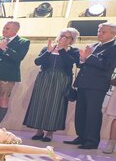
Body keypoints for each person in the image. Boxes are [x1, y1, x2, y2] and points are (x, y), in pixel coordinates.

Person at [66, 22, 116, 150]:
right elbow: (84, 64)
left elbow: (107, 66)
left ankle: (92, 141)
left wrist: (89, 57)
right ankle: (81, 136)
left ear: (113, 33)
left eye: (103, 32)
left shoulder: (113, 47)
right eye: (99, 31)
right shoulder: (93, 45)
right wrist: (82, 59)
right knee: (81, 112)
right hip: (84, 83)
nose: (99, 33)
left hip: (97, 86)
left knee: (92, 113)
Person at [23, 29, 80, 142]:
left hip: (61, 80)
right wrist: (48, 52)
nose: (64, 38)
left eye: (67, 37)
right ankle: (39, 131)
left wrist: (62, 50)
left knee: (55, 105)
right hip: (45, 78)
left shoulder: (73, 51)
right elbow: (37, 62)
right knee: (40, 103)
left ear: (72, 40)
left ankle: (49, 133)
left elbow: (70, 63)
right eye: (63, 35)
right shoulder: (47, 48)